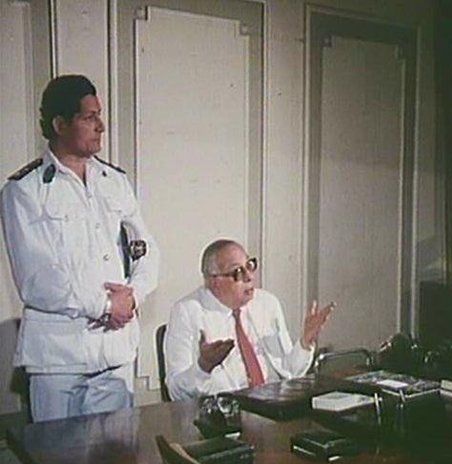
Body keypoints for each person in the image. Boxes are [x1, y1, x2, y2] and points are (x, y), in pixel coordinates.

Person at [1, 75, 159, 421]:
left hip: (115, 354)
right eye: (89, 117)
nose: (101, 126)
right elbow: (36, 279)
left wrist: (133, 296)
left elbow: (145, 249)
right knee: (59, 455)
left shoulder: (114, 181)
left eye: (99, 115)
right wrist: (105, 305)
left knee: (118, 452)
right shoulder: (25, 190)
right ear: (60, 125)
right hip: (59, 359)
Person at [165, 239, 334, 400]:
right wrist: (203, 367)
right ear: (215, 282)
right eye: (238, 272)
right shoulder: (187, 312)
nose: (249, 277)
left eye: (250, 266)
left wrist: (305, 343)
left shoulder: (267, 303)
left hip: (273, 405)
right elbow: (176, 391)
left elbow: (289, 371)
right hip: (226, 411)